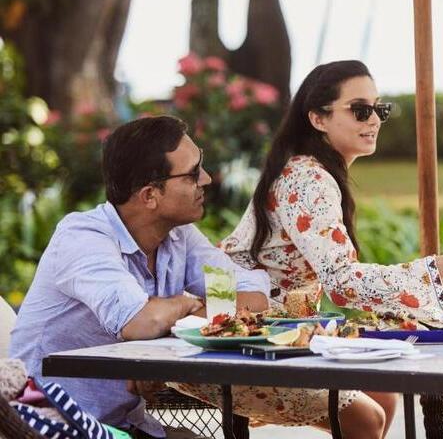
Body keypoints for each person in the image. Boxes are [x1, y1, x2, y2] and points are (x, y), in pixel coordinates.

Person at [175, 60, 443, 439]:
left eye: (380, 109)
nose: (374, 119)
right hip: (240, 341)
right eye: (360, 109)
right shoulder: (308, 178)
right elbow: (343, 282)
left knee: (383, 397)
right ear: (318, 118)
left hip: (274, 333)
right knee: (368, 418)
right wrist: (438, 268)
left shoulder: (309, 170)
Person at [9, 116, 270, 438]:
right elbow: (139, 322)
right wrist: (186, 305)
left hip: (122, 424)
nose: (207, 178)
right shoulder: (83, 237)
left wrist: (183, 314)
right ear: (149, 195)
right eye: (192, 173)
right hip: (56, 424)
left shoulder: (180, 237)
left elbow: (253, 294)